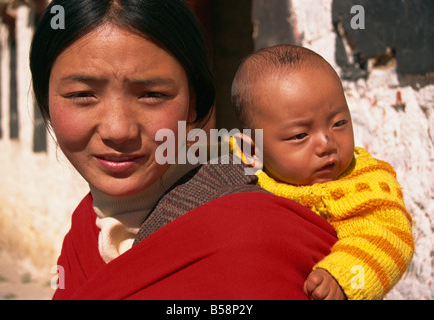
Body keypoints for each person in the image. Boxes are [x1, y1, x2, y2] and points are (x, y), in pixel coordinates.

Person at [30, 0, 338, 300]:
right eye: (82, 94)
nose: (118, 130)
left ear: (193, 101)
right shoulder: (88, 227)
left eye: (151, 94)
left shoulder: (256, 238)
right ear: (46, 101)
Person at [231, 44, 414, 300]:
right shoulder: (234, 170)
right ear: (252, 151)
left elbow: (391, 239)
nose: (327, 143)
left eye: (339, 123)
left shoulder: (365, 182)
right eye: (300, 135)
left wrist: (343, 278)